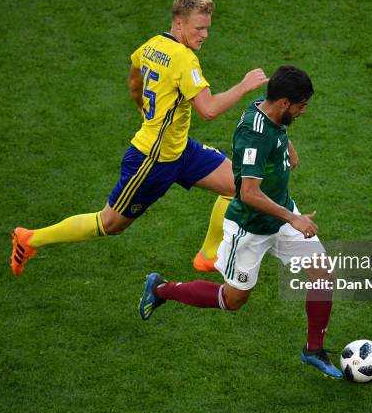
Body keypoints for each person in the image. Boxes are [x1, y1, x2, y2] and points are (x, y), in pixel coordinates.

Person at [10, 0, 268, 276]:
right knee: (110, 224)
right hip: (152, 161)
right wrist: (244, 86)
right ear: (179, 24)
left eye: (207, 27)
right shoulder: (184, 59)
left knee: (240, 184)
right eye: (199, 28)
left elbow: (134, 75)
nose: (205, 34)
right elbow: (207, 110)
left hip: (180, 149)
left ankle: (207, 255)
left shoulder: (152, 45)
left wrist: (141, 105)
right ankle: (29, 238)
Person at [139, 66, 343, 379]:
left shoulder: (270, 108)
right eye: (301, 105)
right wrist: (293, 218)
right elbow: (247, 193)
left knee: (323, 275)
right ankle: (162, 288)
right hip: (250, 228)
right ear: (285, 103)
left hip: (281, 214)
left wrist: (287, 148)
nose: (304, 111)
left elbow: (276, 123)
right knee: (233, 300)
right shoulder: (253, 136)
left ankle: (313, 349)